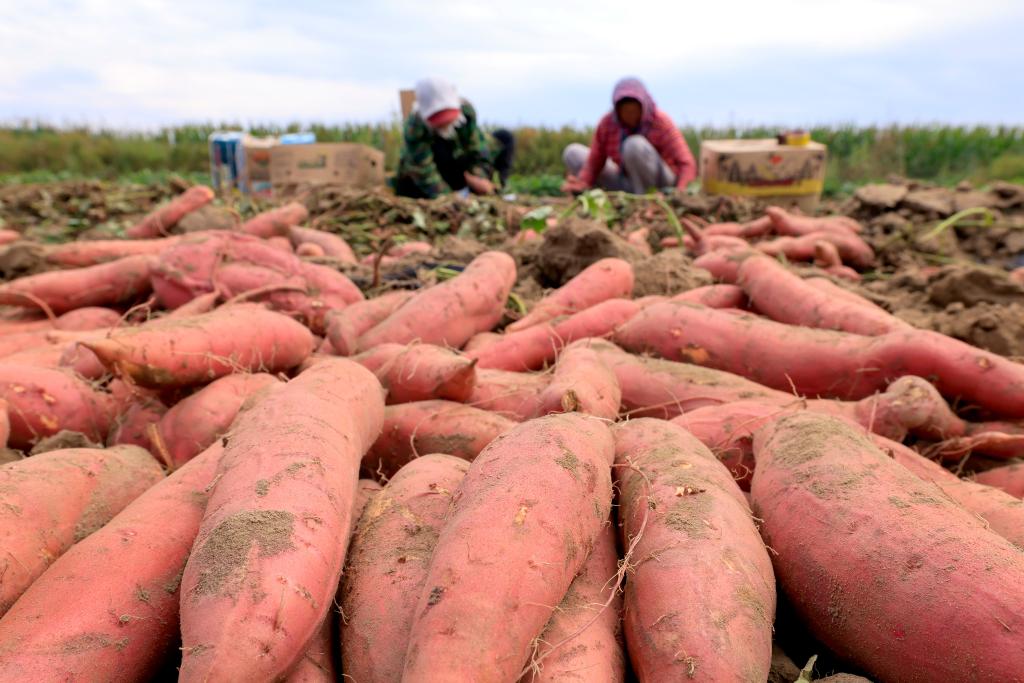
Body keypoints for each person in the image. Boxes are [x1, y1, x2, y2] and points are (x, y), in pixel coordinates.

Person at [562, 77, 697, 195]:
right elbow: (594, 162)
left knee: (634, 145)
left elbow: (687, 163)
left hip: (659, 185)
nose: (630, 115)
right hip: (626, 183)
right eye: (625, 111)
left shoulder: (660, 122)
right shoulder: (608, 124)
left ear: (643, 106)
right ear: (617, 110)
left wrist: (680, 192)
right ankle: (597, 194)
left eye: (634, 110)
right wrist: (583, 181)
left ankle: (646, 200)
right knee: (573, 153)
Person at [393, 78, 515, 199]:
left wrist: (477, 178)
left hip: (460, 166)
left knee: (505, 138)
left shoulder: (466, 113)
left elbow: (477, 151)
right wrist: (450, 198)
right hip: (438, 170)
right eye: (439, 121)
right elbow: (423, 171)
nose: (445, 125)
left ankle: (500, 187)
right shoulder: (415, 128)